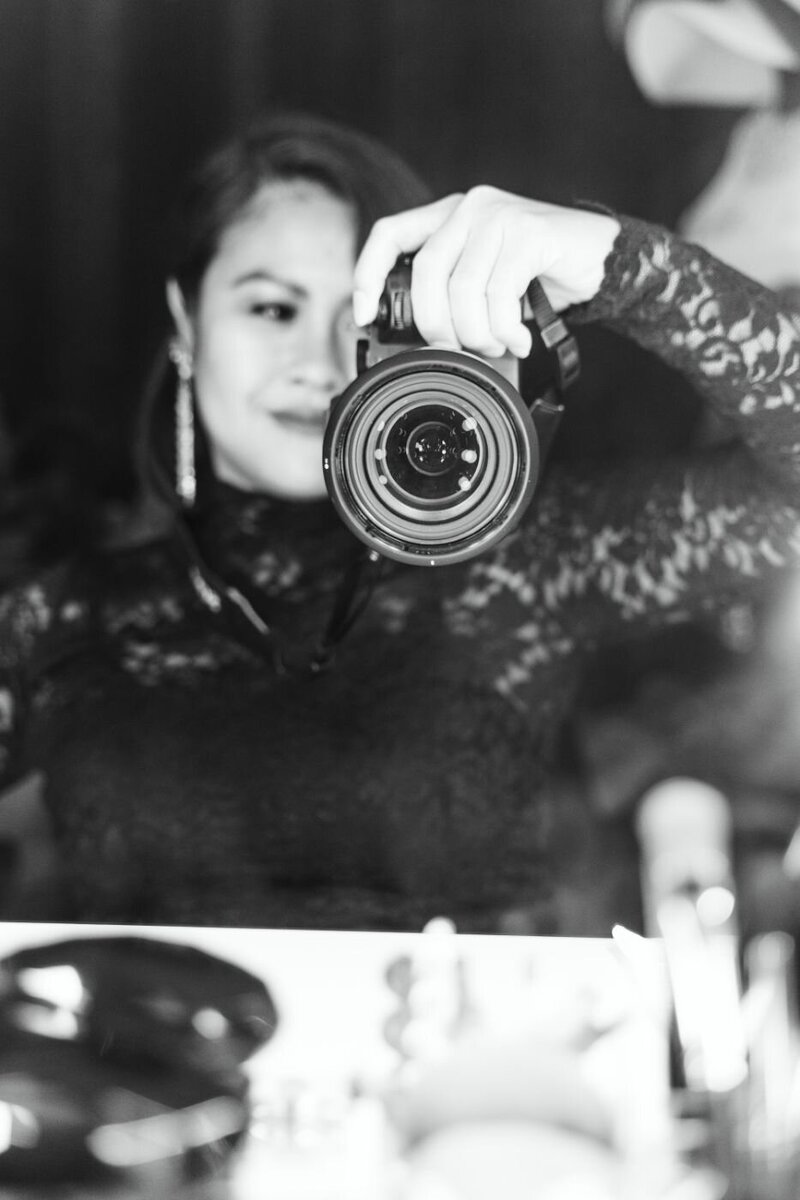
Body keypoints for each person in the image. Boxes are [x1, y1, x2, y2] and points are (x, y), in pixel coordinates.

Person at [0, 110, 798, 933]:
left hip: (483, 1061)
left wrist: (622, 267)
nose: (317, 364)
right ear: (185, 322)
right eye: (272, 309)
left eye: (362, 320)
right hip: (150, 1061)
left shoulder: (535, 564)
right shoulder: (57, 617)